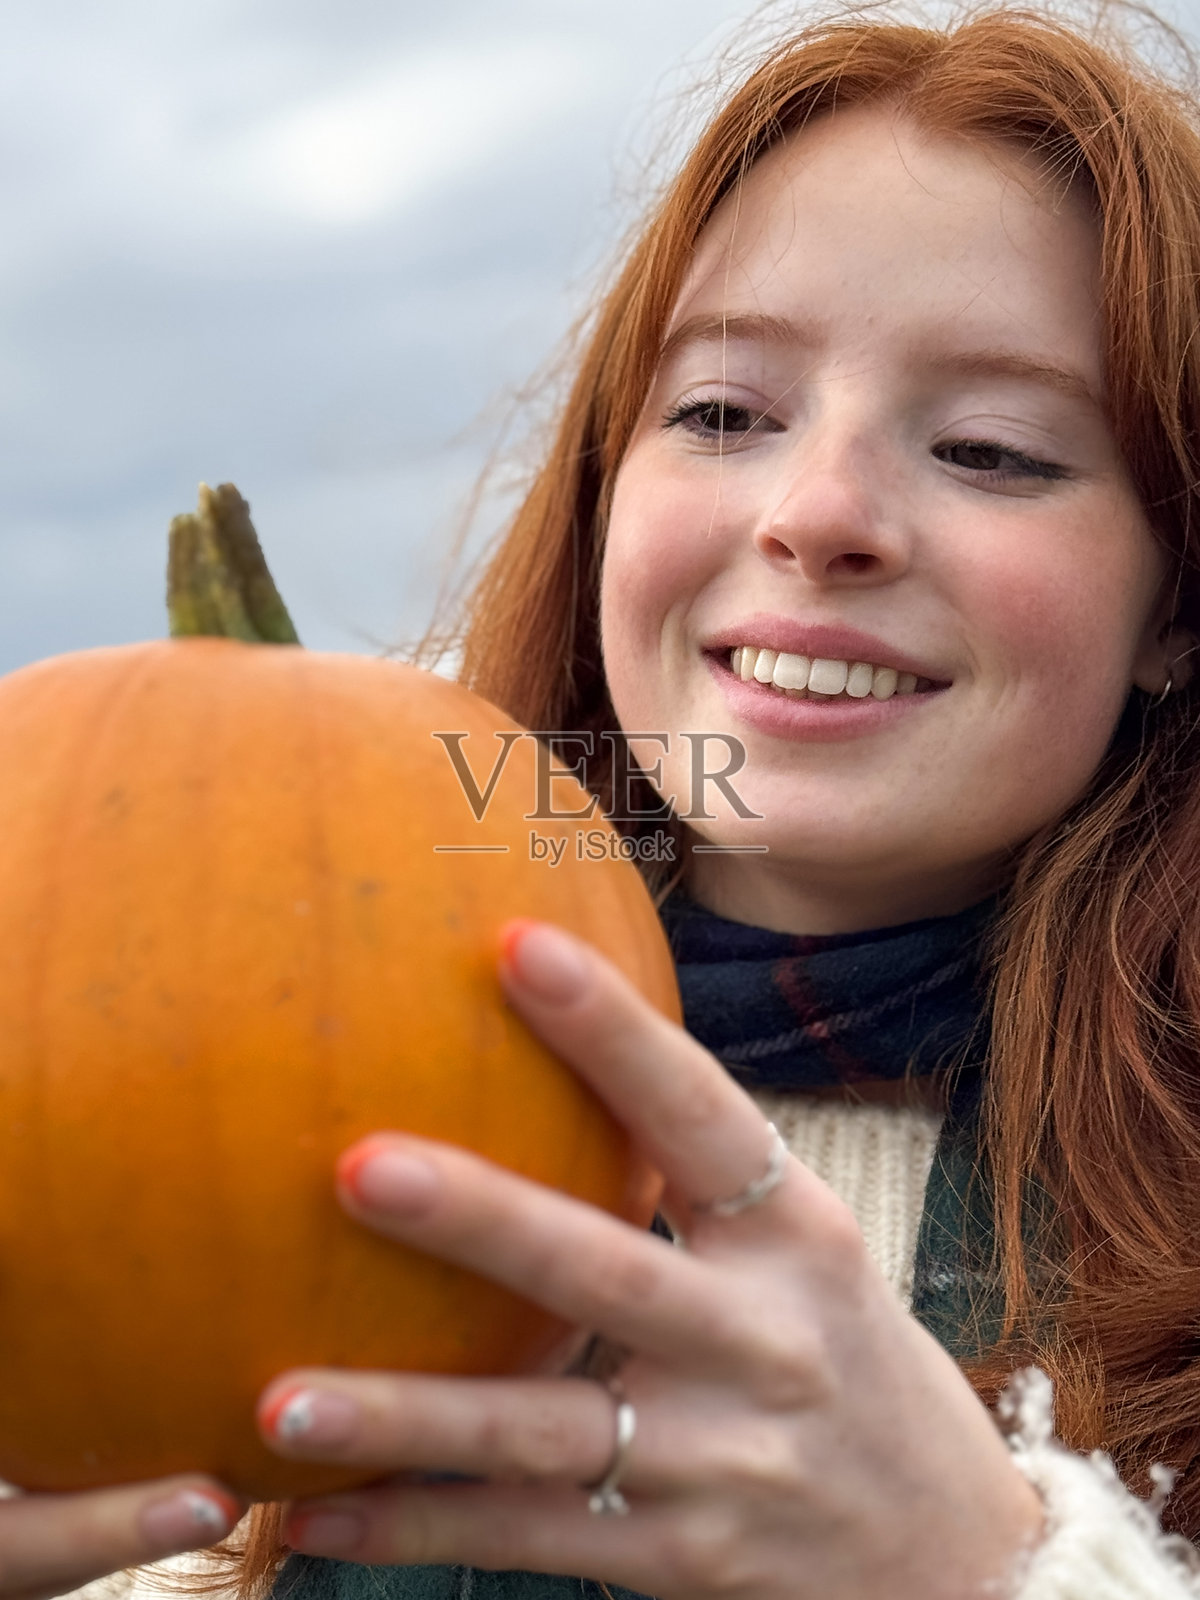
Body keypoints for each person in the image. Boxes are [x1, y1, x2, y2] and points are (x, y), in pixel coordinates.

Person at [25, 5, 1200, 1598]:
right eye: (723, 412)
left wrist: (993, 1570)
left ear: (1176, 604)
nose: (819, 513)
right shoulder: (157, 1063)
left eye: (993, 449)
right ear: (603, 493)